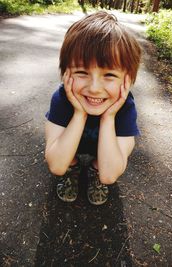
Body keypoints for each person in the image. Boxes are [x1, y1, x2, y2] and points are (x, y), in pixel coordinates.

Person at [45, 11, 141, 205]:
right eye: (82, 72)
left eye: (109, 75)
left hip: (103, 152)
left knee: (104, 167)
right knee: (64, 160)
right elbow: (56, 165)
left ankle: (94, 168)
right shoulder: (62, 99)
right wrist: (79, 114)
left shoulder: (125, 108)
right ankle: (73, 167)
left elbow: (110, 176)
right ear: (66, 74)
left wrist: (109, 117)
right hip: (70, 147)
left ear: (127, 79)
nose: (95, 88)